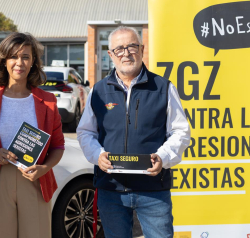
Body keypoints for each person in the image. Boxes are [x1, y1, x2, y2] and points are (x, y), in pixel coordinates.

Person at [77, 26, 191, 238]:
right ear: (110, 54)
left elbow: (181, 132)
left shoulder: (164, 87)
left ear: (142, 49)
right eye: (119, 49)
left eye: (132, 46)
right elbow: (85, 132)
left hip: (153, 190)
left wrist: (164, 157)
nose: (126, 53)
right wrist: (97, 155)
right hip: (111, 190)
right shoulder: (99, 91)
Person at [0, 32, 65, 238]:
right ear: (4, 61)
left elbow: (58, 146)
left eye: (26, 57)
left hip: (35, 179)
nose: (19, 63)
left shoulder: (47, 101)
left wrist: (44, 168)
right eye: (13, 56)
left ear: (33, 63)